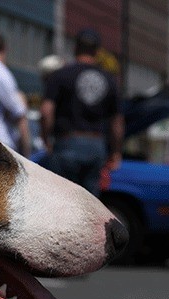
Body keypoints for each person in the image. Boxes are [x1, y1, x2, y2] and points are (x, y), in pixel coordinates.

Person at [39, 29, 123, 196]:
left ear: (75, 48)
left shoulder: (61, 75)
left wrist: (45, 137)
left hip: (67, 142)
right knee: (89, 204)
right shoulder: (109, 80)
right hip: (96, 145)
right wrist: (116, 151)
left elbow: (46, 111)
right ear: (98, 52)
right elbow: (117, 122)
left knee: (63, 201)